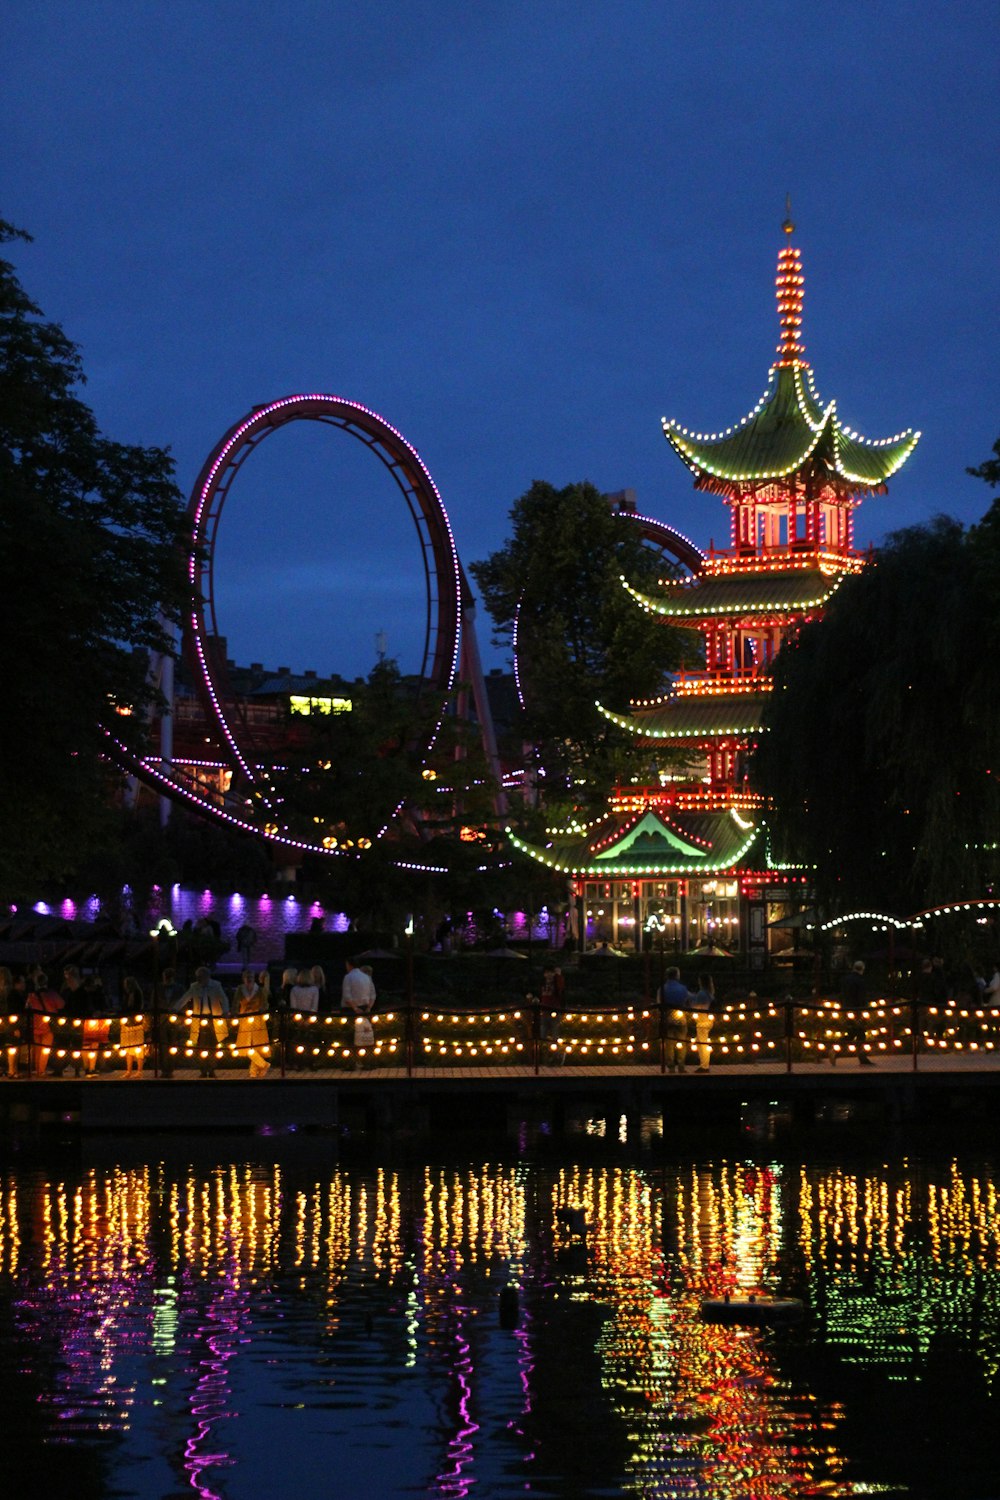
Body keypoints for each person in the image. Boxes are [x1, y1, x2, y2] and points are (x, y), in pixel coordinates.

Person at [180, 966, 230, 1077]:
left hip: (214, 1018)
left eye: (200, 977)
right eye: (197, 977)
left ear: (206, 977)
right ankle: (203, 1069)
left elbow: (224, 998)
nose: (198, 979)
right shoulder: (194, 987)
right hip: (199, 1018)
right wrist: (175, 1009)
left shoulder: (216, 985)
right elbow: (185, 997)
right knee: (200, 1045)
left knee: (213, 1044)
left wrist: (225, 1011)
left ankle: (211, 1069)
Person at [234, 968, 271, 1078]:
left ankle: (253, 1072)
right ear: (243, 979)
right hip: (245, 1019)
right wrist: (235, 1012)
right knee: (246, 1045)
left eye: (250, 977)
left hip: (257, 1019)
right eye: (246, 977)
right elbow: (235, 1002)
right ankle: (263, 1064)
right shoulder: (240, 989)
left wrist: (262, 1009)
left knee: (257, 1045)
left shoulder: (259, 990)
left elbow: (265, 1003)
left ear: (254, 978)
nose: (249, 979)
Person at [26, 972, 64, 1076]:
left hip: (35, 1025)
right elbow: (61, 1005)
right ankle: (41, 1071)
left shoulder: (31, 996)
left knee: (37, 1049)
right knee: (45, 1050)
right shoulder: (52, 994)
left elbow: (27, 1008)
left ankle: (37, 1070)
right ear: (46, 982)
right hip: (48, 1026)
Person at [837, 960, 874, 1064]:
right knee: (860, 1034)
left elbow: (841, 995)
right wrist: (865, 1009)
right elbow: (861, 997)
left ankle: (836, 1050)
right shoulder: (860, 981)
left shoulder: (844, 980)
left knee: (853, 1032)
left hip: (846, 1009)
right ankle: (861, 1056)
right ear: (862, 969)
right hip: (857, 1011)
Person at [342, 957, 376, 1069]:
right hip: (365, 1008)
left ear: (349, 965)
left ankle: (351, 1063)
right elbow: (372, 994)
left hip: (351, 1010)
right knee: (365, 1035)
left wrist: (355, 1008)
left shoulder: (348, 977)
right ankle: (368, 1062)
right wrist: (368, 1008)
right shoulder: (366, 977)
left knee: (351, 1037)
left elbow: (347, 995)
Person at [660, 966, 691, 1072]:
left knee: (669, 1043)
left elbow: (659, 1003)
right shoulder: (683, 988)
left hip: (667, 1018)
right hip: (681, 1017)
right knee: (682, 1042)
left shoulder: (662, 988)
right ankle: (681, 1065)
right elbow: (688, 1001)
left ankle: (671, 1066)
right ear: (677, 975)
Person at [119, 976, 147, 1077]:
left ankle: (139, 1071)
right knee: (128, 1048)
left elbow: (135, 1008)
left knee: (138, 1048)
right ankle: (129, 1071)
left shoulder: (136, 994)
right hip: (127, 1024)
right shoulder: (127, 995)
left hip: (136, 1024)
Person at [689, 973, 715, 1072]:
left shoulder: (701, 993)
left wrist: (691, 1004)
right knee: (702, 1043)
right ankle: (704, 1065)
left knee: (702, 1044)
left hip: (702, 1021)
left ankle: (704, 1066)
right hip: (708, 1020)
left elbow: (697, 1006)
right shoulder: (710, 993)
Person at [538, 963, 565, 1045]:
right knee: (542, 1033)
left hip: (554, 1011)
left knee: (555, 1033)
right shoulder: (542, 984)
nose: (549, 974)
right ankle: (542, 1050)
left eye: (551, 972)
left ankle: (556, 1053)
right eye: (547, 972)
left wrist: (558, 975)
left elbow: (561, 987)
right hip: (544, 1011)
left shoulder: (556, 984)